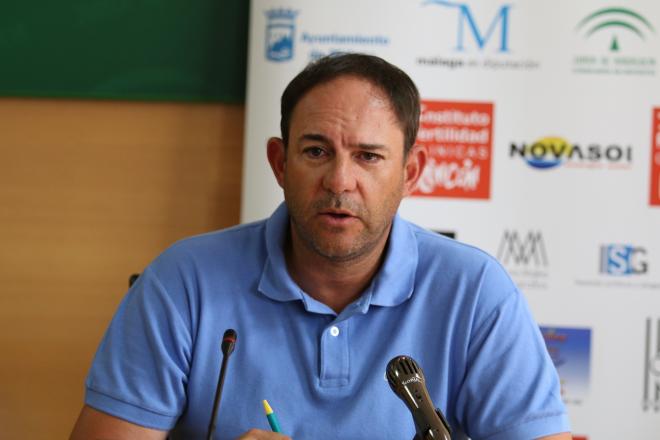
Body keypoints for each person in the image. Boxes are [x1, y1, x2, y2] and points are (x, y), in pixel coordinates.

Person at [70, 53, 571, 440]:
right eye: (316, 151)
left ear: (410, 173)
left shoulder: (475, 292)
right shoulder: (183, 280)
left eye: (368, 156)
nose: (340, 181)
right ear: (280, 162)